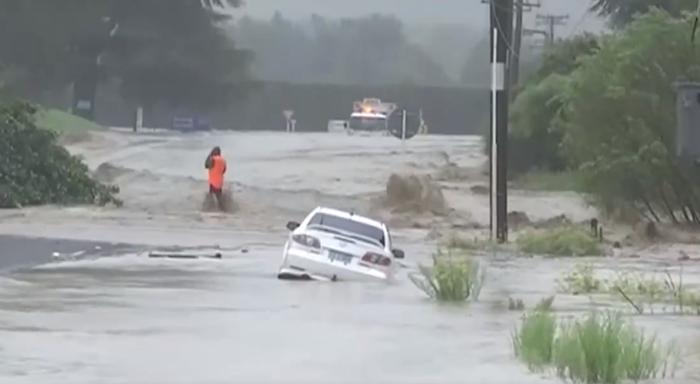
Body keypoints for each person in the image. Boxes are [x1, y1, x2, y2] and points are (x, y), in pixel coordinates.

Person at [205, 146, 227, 211]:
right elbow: (224, 171)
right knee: (218, 196)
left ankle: (211, 210)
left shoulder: (213, 159)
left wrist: (209, 155)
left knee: (211, 197)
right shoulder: (223, 160)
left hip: (213, 181)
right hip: (220, 181)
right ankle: (223, 210)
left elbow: (206, 165)